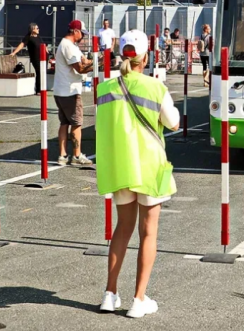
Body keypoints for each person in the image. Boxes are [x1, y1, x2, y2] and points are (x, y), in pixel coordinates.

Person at [96, 29, 180, 318]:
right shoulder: (155, 87)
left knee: (122, 229)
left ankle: (110, 294)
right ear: (145, 57)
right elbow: (173, 123)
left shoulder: (105, 88)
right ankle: (138, 299)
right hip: (149, 168)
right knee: (148, 233)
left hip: (120, 166)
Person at [53, 20, 94, 165]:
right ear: (75, 31)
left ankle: (62, 155)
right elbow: (80, 68)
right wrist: (97, 64)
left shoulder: (69, 45)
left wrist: (93, 60)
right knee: (76, 123)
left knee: (64, 123)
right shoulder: (68, 46)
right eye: (82, 33)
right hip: (69, 91)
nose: (82, 36)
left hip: (61, 90)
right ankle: (76, 156)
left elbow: (84, 61)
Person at [11, 23, 45, 94]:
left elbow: (44, 45)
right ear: (32, 29)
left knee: (43, 73)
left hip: (43, 58)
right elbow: (22, 45)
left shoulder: (38, 36)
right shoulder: (28, 37)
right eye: (37, 28)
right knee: (39, 72)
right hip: (35, 58)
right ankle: (38, 90)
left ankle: (43, 88)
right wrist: (14, 53)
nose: (38, 29)